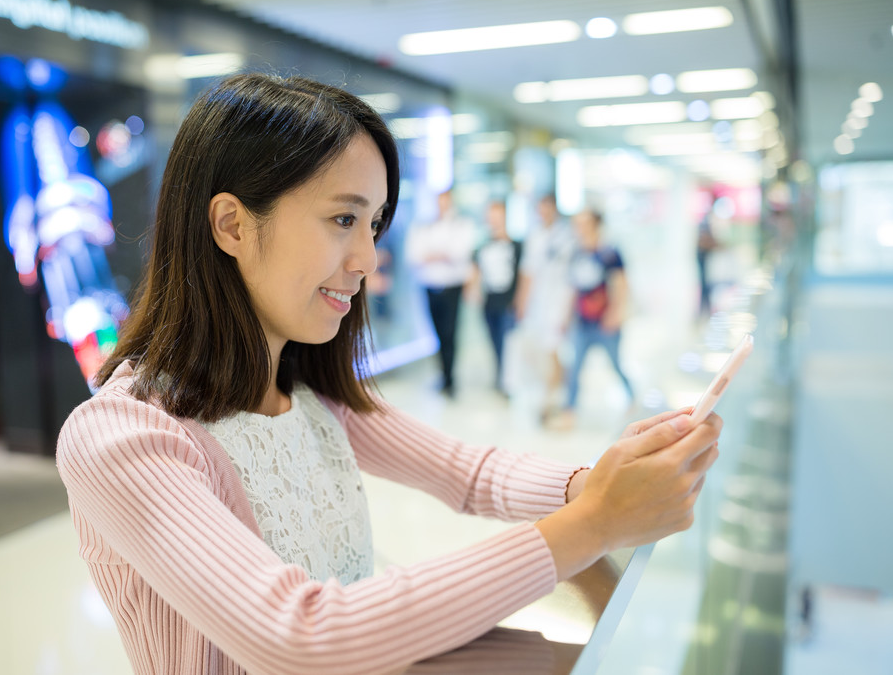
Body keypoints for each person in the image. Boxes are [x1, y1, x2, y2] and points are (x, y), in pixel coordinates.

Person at [56, 73, 722, 675]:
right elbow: (303, 636)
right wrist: (593, 523)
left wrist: (596, 484)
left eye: (373, 224)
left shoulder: (308, 394)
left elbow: (472, 473)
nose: (368, 258)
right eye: (343, 219)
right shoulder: (121, 437)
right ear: (231, 224)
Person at [556, 208, 634, 430]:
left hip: (605, 322)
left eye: (584, 223)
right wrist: (565, 316)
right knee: (575, 368)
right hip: (582, 322)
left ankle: (633, 399)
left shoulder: (609, 253)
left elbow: (621, 285)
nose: (579, 228)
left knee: (616, 365)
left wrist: (615, 314)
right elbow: (573, 289)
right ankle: (569, 411)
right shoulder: (576, 253)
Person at [405, 188, 475, 397]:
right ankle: (443, 375)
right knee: (436, 333)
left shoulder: (461, 225)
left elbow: (459, 253)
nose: (442, 206)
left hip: (452, 287)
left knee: (450, 333)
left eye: (445, 202)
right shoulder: (424, 226)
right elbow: (414, 255)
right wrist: (442, 253)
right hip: (429, 287)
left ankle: (451, 378)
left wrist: (434, 254)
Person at [514, 193, 575, 417]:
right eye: (540, 209)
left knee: (554, 348)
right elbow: (528, 271)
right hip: (539, 303)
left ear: (555, 209)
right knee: (545, 351)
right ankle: (554, 392)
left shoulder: (567, 236)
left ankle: (553, 399)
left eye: (547, 208)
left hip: (560, 300)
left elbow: (572, 274)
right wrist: (521, 301)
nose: (543, 213)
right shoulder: (535, 235)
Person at [469, 198, 522, 394]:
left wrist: (520, 301)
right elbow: (475, 271)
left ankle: (508, 383)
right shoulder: (483, 246)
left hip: (509, 302)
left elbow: (523, 275)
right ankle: (500, 377)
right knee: (494, 342)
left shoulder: (517, 246)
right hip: (490, 302)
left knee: (509, 345)